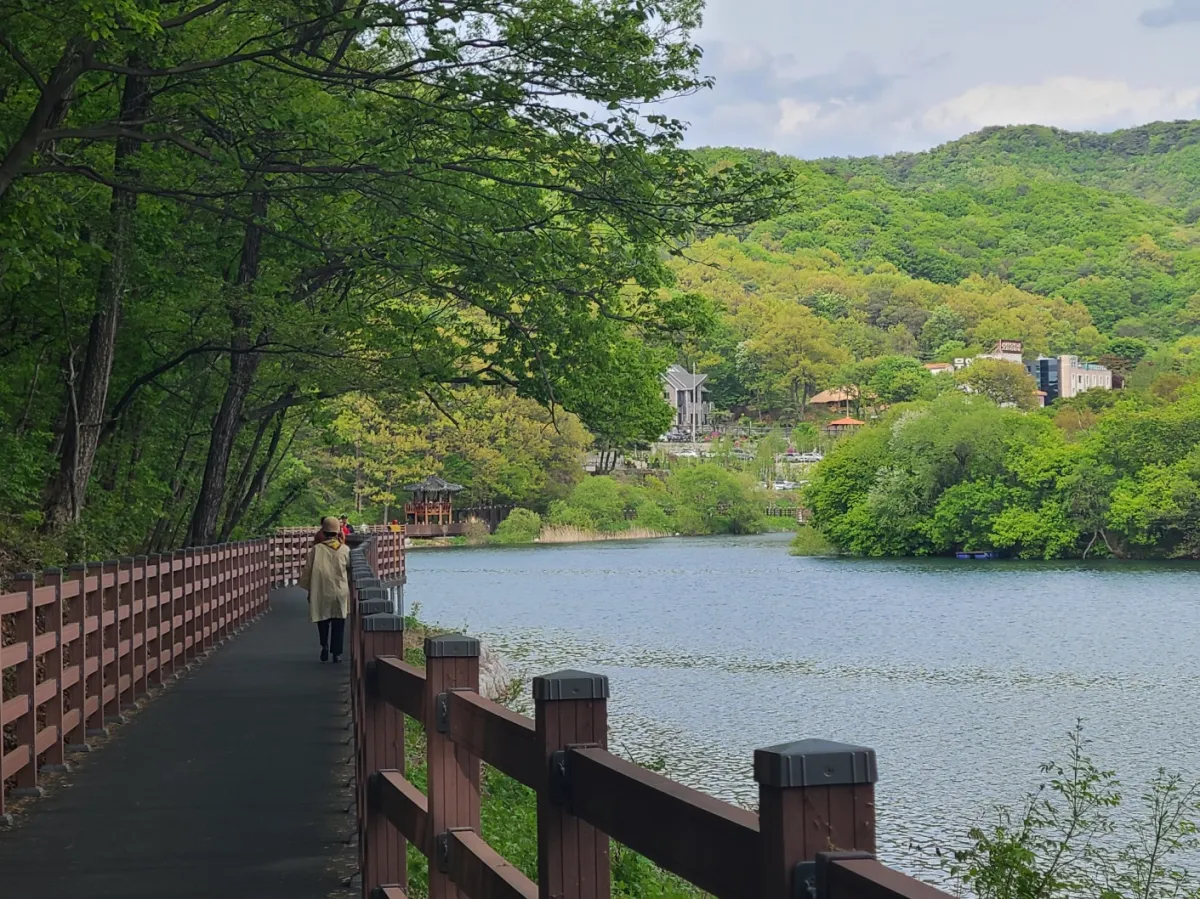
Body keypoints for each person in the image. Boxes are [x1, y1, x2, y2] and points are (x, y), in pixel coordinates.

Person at [298, 516, 351, 663]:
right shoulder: (345, 550)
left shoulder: (317, 550)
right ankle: (337, 653)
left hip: (321, 590)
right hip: (340, 591)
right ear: (338, 532)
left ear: (324, 531)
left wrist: (310, 590)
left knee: (323, 619)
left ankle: (324, 645)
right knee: (339, 622)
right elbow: (350, 569)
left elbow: (307, 571)